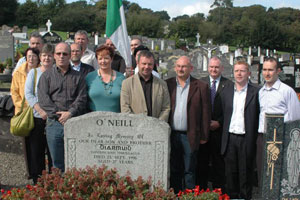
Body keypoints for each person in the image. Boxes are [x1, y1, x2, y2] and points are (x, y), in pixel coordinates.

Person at [38, 42, 87, 172]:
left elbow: (82, 98)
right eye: (58, 53)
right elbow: (43, 99)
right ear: (54, 55)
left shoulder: (79, 77)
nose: (61, 56)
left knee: (75, 161)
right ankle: (59, 190)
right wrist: (59, 115)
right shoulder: (46, 76)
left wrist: (70, 113)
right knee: (56, 163)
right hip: (54, 124)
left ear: (70, 56)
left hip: (74, 122)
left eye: (65, 54)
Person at [166, 56, 211, 193]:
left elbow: (205, 113)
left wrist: (204, 135)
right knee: (174, 168)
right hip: (171, 134)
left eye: (184, 66)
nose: (181, 69)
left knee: (189, 169)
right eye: (178, 66)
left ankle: (188, 196)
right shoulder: (167, 84)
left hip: (190, 135)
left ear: (191, 68)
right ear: (175, 68)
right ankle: (175, 195)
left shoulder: (201, 87)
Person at [257, 57, 300, 185]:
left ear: (278, 71)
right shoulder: (260, 92)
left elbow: (295, 117)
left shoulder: (287, 91)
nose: (267, 73)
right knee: (263, 172)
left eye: (270, 70)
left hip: (279, 138)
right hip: (262, 136)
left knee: (277, 175)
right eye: (264, 70)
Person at [221, 60, 259, 200]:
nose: (239, 73)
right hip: (230, 138)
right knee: (230, 175)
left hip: (246, 138)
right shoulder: (227, 91)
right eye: (237, 70)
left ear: (248, 73)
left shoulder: (255, 92)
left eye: (242, 71)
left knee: (245, 174)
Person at [199, 56, 232, 190]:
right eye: (211, 67)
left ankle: (219, 192)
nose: (214, 69)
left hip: (220, 131)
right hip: (203, 131)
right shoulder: (200, 83)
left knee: (219, 164)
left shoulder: (229, 85)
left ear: (222, 68)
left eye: (216, 67)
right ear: (208, 68)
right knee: (202, 163)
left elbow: (231, 108)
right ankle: (200, 191)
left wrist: (220, 122)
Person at [24, 44, 54, 184]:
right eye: (44, 55)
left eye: (49, 55)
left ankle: (54, 180)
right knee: (37, 151)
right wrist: (41, 111)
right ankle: (39, 182)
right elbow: (28, 93)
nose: (46, 58)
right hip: (38, 118)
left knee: (53, 152)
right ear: (40, 58)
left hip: (54, 118)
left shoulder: (57, 72)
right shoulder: (34, 73)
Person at [11, 47, 40, 183]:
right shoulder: (19, 72)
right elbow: (14, 92)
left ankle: (39, 172)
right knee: (26, 143)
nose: (31, 59)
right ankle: (30, 171)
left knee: (38, 144)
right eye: (29, 56)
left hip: (38, 112)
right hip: (24, 112)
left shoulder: (42, 71)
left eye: (34, 56)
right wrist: (23, 107)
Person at [120, 50, 170, 122]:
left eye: (150, 64)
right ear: (138, 63)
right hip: (135, 129)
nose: (147, 67)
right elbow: (125, 108)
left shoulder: (162, 84)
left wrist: (158, 124)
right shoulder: (127, 84)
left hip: (156, 128)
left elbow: (166, 108)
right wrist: (139, 126)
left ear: (153, 65)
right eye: (144, 64)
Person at [85, 45, 125, 112]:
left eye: (106, 58)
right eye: (100, 59)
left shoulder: (121, 78)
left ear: (111, 59)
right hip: (93, 119)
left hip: (116, 120)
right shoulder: (90, 77)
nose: (103, 61)